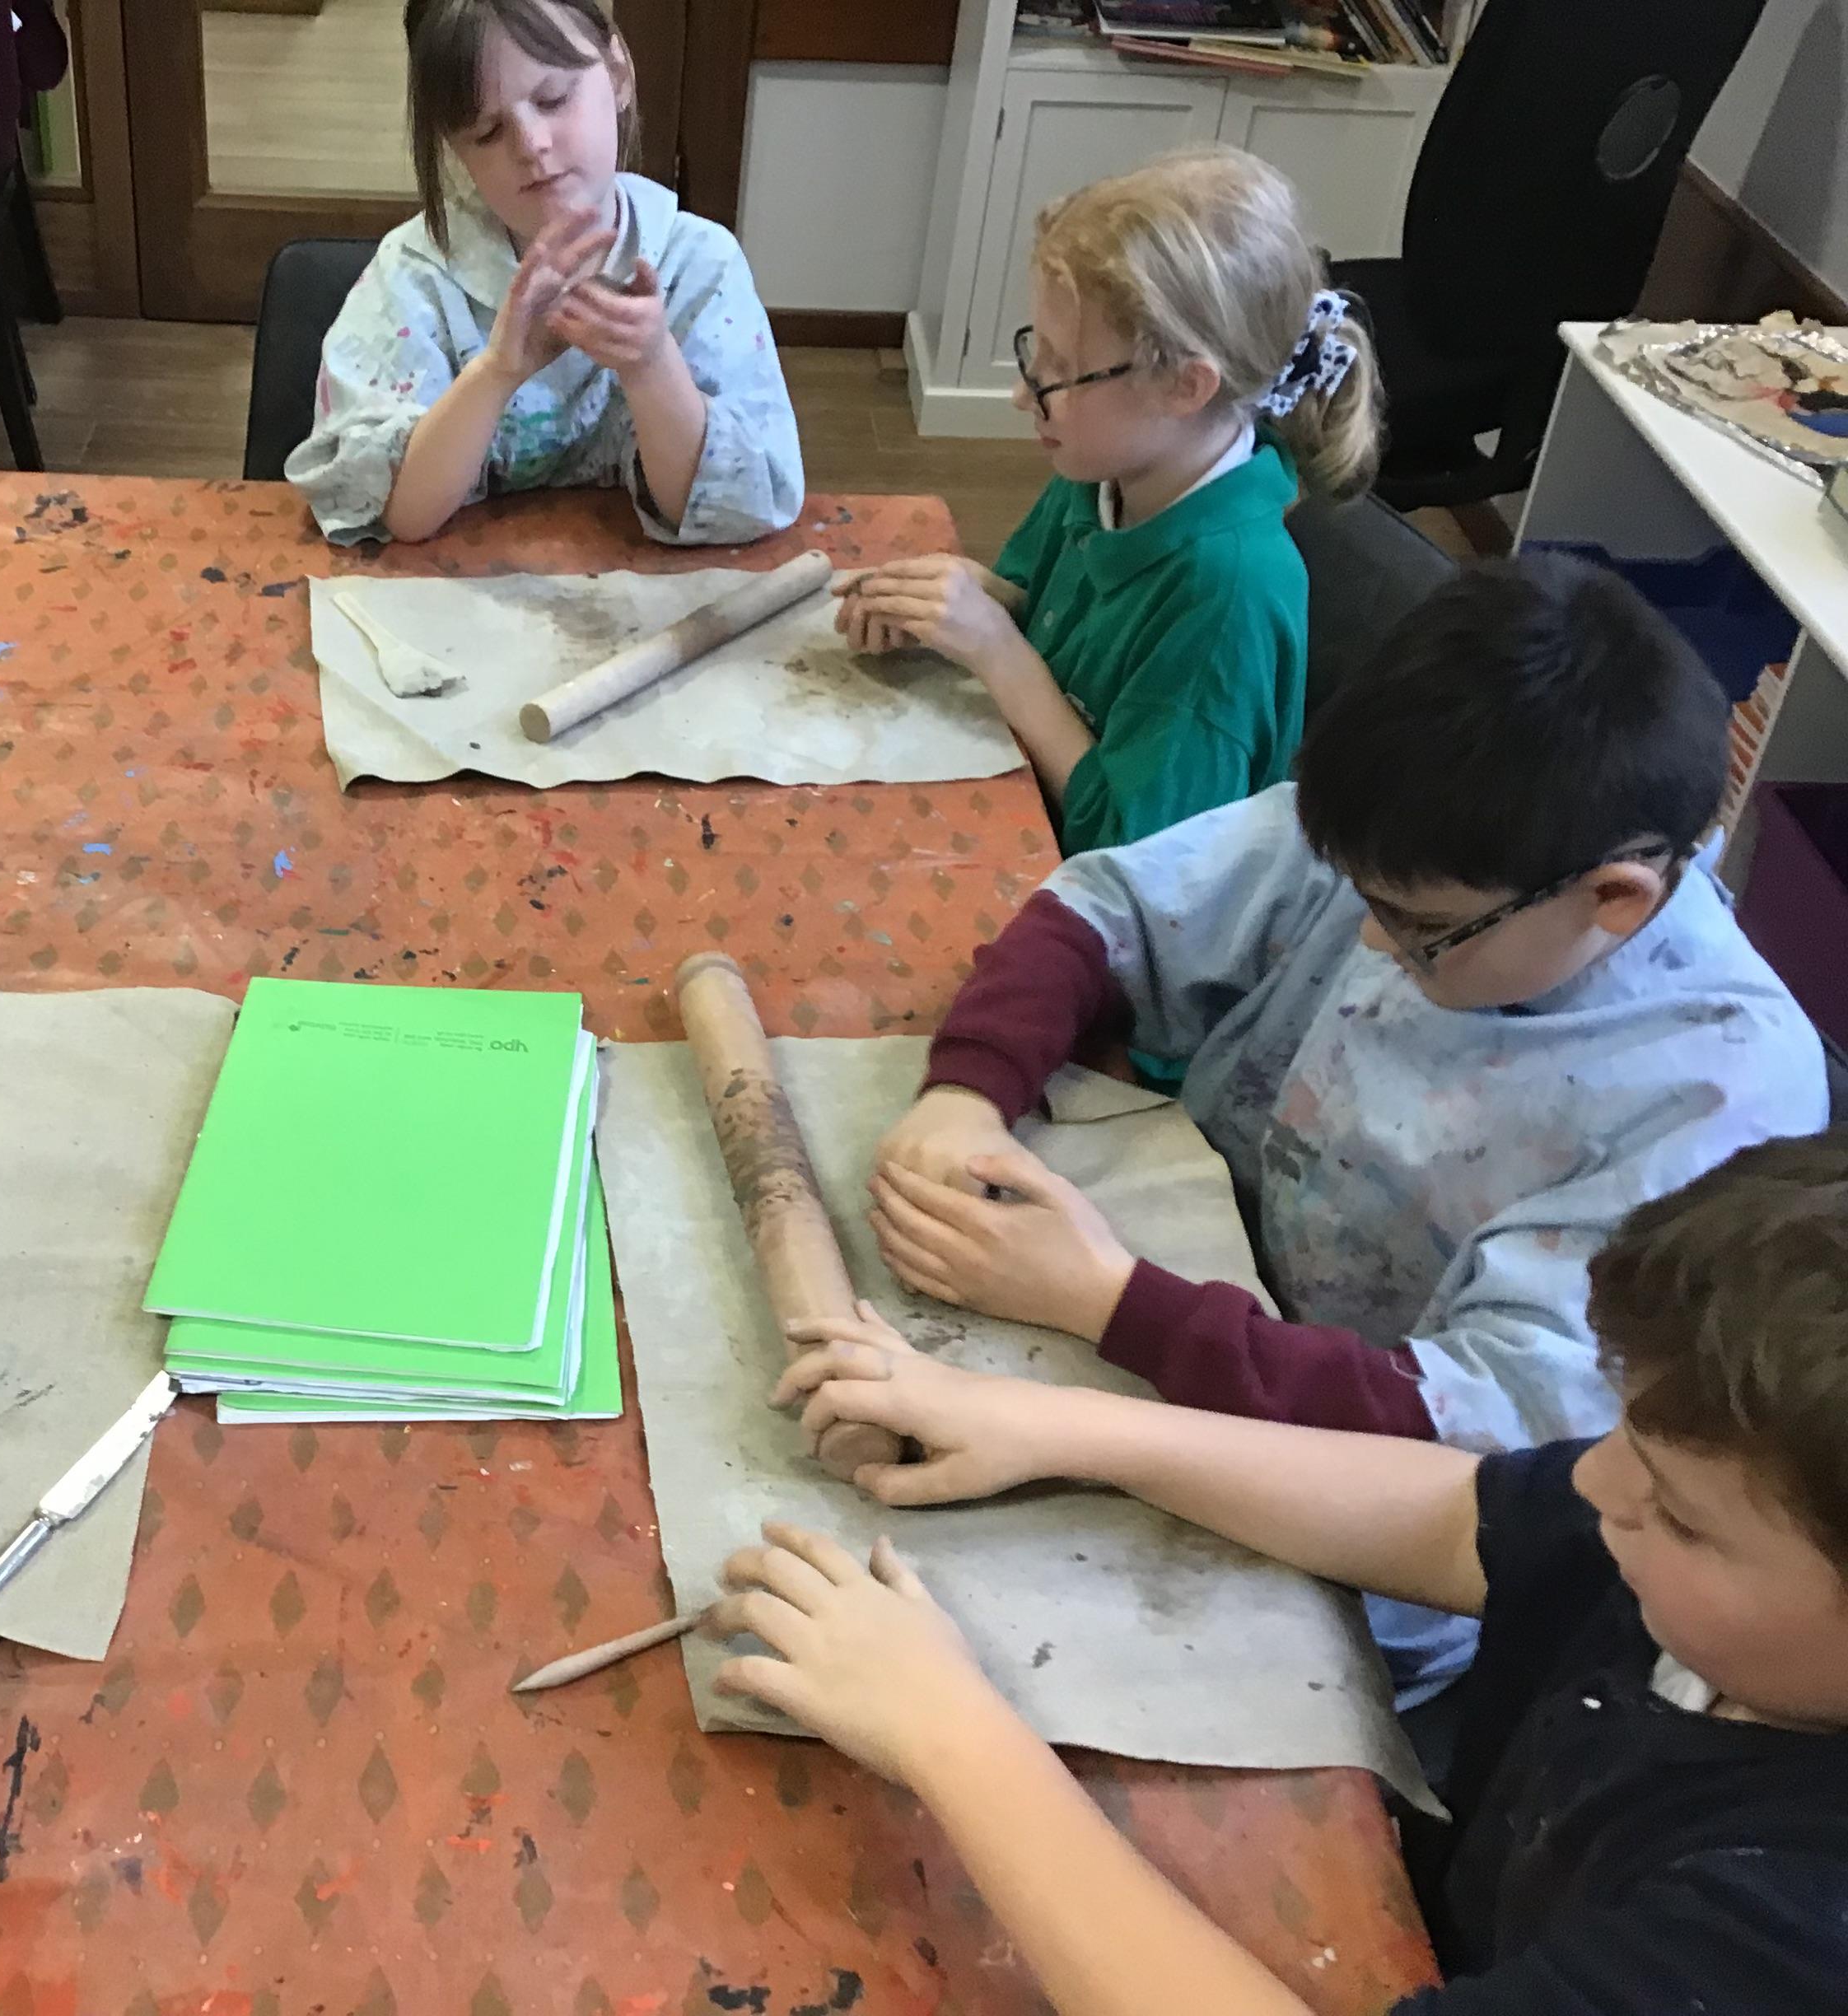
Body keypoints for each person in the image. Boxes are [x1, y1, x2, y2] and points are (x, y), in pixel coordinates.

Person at [870, 554, 1823, 1701]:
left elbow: (1475, 1450)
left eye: (1417, 929)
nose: (1371, 944)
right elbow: (1108, 907)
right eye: (1359, 895)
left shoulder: (1713, 1099)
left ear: (1614, 898)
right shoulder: (1432, 836)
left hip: (1348, 1532)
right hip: (1163, 1302)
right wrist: (968, 1096)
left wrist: (1112, 1303)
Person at [726, 1131, 1848, 2014]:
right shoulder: (1731, 1537)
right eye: (1619, 1438)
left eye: (1682, 1518)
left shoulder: (1781, 1939)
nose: (1596, 1484)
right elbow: (1455, 1520)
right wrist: (1064, 1426)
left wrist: (951, 1736)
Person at [837, 147, 1374, 856]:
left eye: (1060, 371)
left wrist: (998, 651)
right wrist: (971, 604)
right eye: (1035, 354)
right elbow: (1042, 616)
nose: (1023, 393)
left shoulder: (1229, 594)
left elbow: (1144, 859)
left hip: (1101, 897)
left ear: (1185, 386)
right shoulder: (1106, 468)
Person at [286, 0, 802, 548]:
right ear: (455, 150)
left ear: (618, 75)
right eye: (488, 132)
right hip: (464, 583)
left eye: (553, 99)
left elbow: (738, 511)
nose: (531, 145)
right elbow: (402, 515)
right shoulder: (415, 278)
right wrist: (496, 372)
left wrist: (651, 367)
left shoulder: (698, 264)